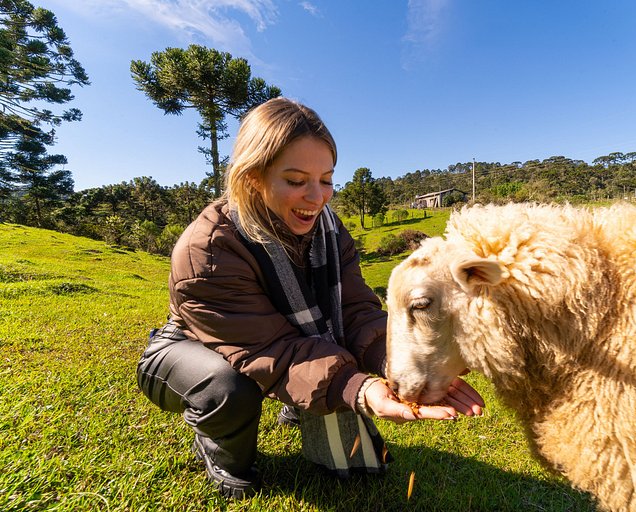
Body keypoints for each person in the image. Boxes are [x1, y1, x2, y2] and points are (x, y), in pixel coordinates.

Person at [136, 97, 485, 499]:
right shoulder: (210, 249)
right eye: (296, 180)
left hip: (275, 345)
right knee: (228, 386)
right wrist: (359, 390)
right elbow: (269, 347)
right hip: (191, 349)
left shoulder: (330, 231)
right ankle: (221, 455)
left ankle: (299, 404)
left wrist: (395, 365)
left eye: (326, 179)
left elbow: (355, 310)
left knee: (326, 339)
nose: (316, 197)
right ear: (253, 178)